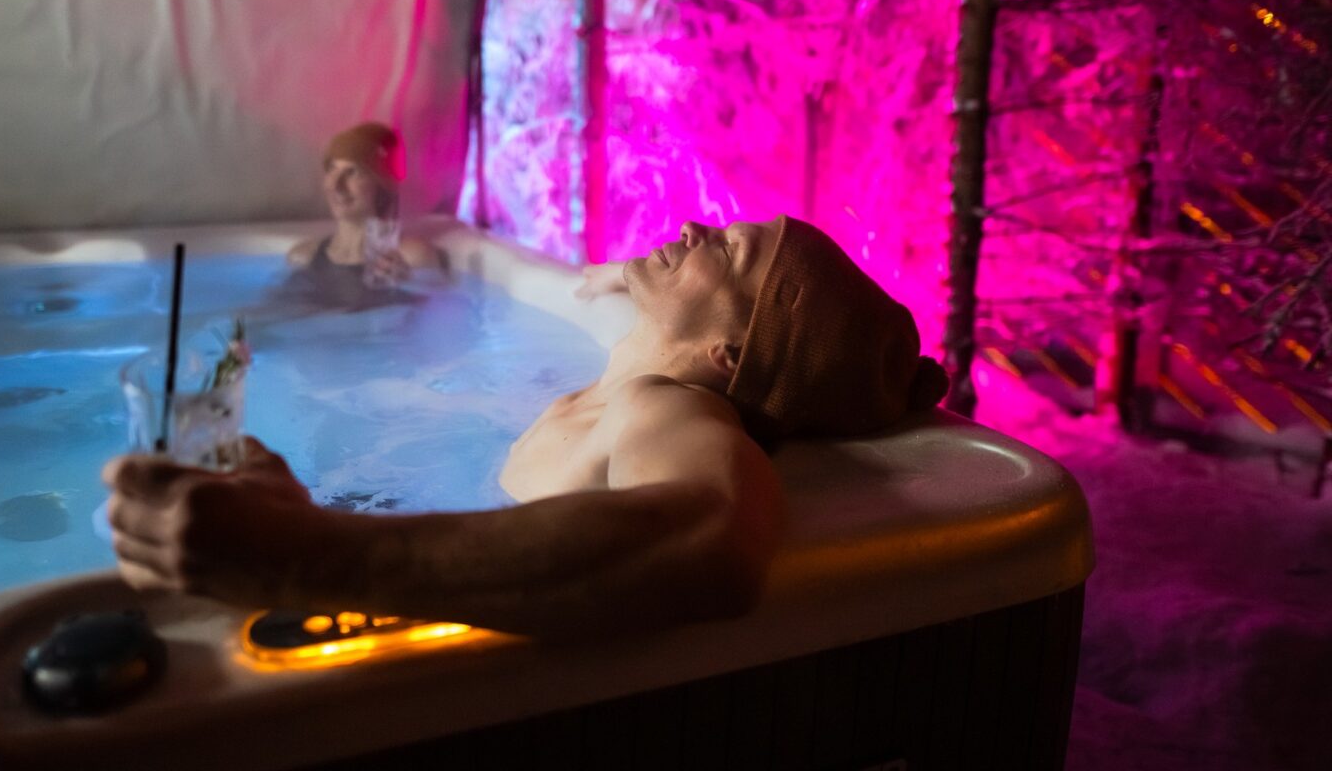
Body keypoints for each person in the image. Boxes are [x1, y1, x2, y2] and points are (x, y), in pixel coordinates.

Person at [104, 216, 948, 637]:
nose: (693, 228)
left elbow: (719, 537)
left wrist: (300, 555)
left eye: (725, 249)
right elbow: (666, 296)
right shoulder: (622, 378)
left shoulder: (665, 409)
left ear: (730, 355)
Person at [286, 122, 446, 291]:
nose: (335, 185)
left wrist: (410, 283)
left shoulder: (412, 258)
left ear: (381, 186)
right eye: (332, 169)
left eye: (353, 172)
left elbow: (440, 310)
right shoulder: (303, 257)